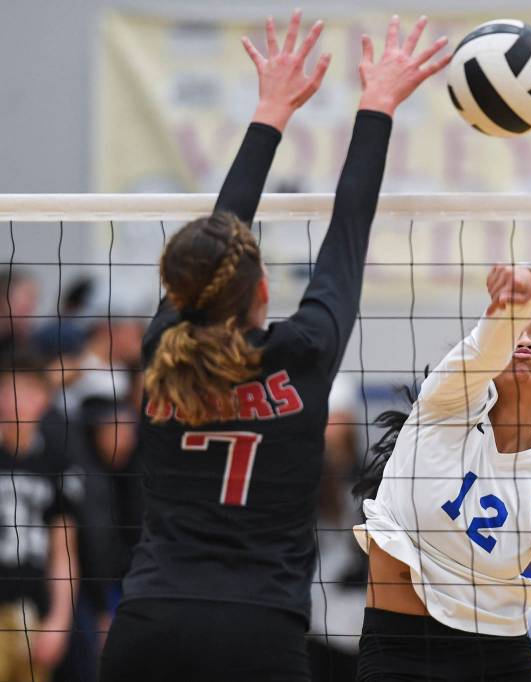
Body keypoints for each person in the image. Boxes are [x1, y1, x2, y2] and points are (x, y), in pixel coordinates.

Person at [98, 12, 450, 682]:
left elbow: (217, 236)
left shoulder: (161, 349)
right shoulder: (306, 351)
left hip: (150, 622)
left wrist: (270, 112)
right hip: (260, 630)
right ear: (262, 287)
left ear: (177, 289)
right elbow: (351, 225)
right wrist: (376, 104)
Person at [353, 266, 531, 681]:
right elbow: (482, 350)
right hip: (401, 655)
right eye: (515, 334)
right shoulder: (444, 407)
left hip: (500, 661)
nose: (524, 341)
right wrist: (516, 301)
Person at [0, 350, 83, 682]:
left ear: (44, 400)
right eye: (7, 391)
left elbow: (65, 550)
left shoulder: (58, 464)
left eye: (26, 392)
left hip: (33, 609)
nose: (15, 402)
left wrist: (60, 619)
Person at [308, 375, 368, 681]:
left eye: (336, 421)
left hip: (365, 632)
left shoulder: (373, 482)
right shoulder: (303, 482)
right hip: (319, 628)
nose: (330, 431)